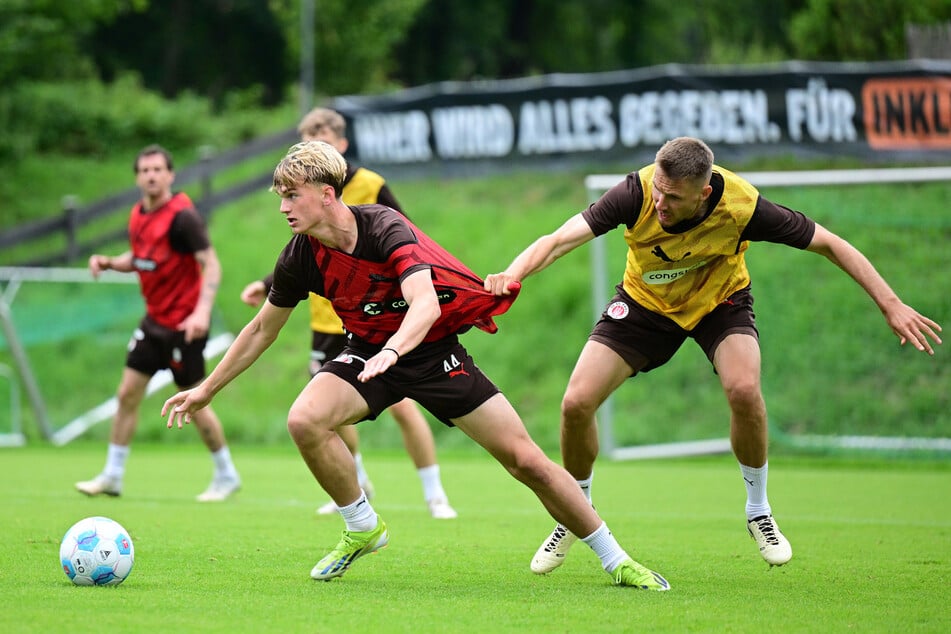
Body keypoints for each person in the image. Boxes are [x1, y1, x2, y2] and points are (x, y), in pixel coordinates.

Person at [162, 140, 669, 589]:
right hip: (368, 353)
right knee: (304, 420)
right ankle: (362, 527)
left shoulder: (382, 224)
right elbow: (260, 331)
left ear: (327, 194)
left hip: (430, 351)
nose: (284, 207)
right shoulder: (300, 256)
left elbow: (424, 305)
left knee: (526, 461)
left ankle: (617, 560)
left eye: (292, 194)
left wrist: (393, 351)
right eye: (280, 196)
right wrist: (207, 389)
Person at [485, 136, 942, 573]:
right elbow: (560, 238)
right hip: (646, 304)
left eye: (674, 198)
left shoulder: (743, 207)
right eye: (658, 193)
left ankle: (758, 510)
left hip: (719, 303)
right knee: (575, 404)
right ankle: (574, 511)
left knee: (744, 389)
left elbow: (830, 244)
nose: (661, 204)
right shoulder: (635, 192)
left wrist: (890, 302)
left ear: (704, 193)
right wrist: (514, 272)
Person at [239, 107, 456, 520]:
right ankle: (355, 485)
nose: (313, 149)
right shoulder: (301, 200)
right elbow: (305, 254)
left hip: (380, 318)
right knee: (329, 414)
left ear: (341, 144)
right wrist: (268, 284)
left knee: (402, 404)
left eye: (321, 140)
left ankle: (434, 493)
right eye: (306, 142)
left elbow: (408, 241)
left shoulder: (370, 186)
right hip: (329, 318)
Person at [76, 144, 241, 502]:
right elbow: (141, 258)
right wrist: (108, 262)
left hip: (185, 327)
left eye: (157, 169)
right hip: (153, 324)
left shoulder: (184, 217)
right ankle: (112, 476)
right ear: (137, 177)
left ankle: (226, 474)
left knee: (194, 403)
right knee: (126, 394)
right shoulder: (138, 215)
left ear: (170, 175)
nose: (151, 175)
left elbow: (211, 264)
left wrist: (201, 312)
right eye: (145, 170)